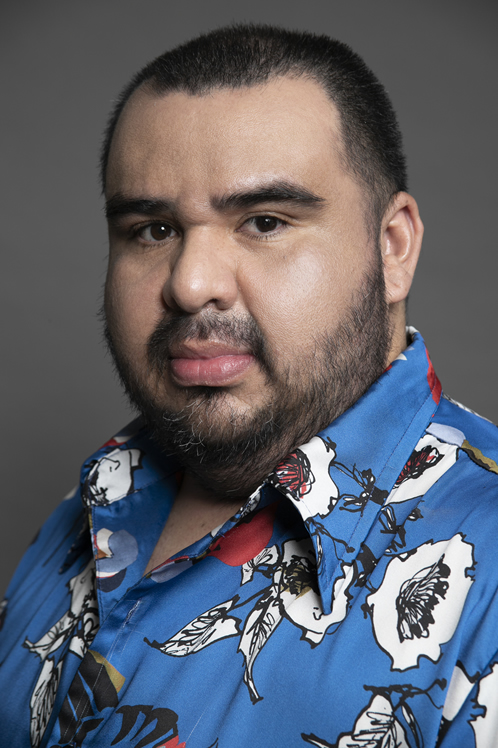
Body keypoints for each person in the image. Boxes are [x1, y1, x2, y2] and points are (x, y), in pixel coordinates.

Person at [1, 23, 497, 748]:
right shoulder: (88, 509)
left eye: (264, 222)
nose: (190, 284)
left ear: (392, 248)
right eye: (153, 230)